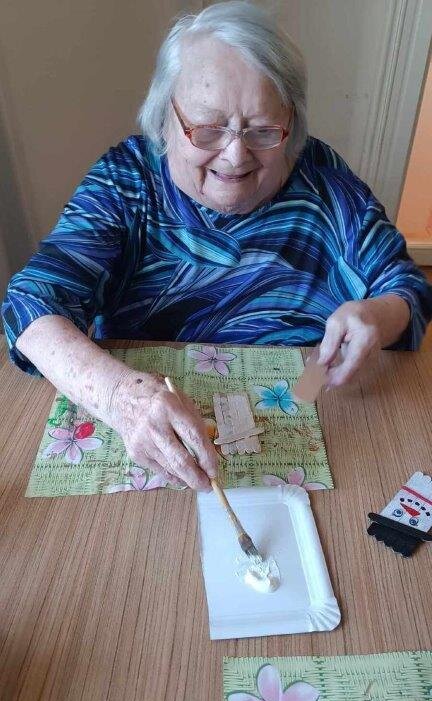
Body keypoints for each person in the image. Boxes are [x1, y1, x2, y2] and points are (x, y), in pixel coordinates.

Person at [2, 1, 432, 491]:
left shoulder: (323, 180)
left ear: (292, 123)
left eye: (263, 131)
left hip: (313, 417)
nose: (235, 155)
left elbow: (408, 288)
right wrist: (122, 397)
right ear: (164, 118)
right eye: (207, 130)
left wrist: (379, 313)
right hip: (153, 438)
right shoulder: (126, 181)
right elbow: (31, 302)